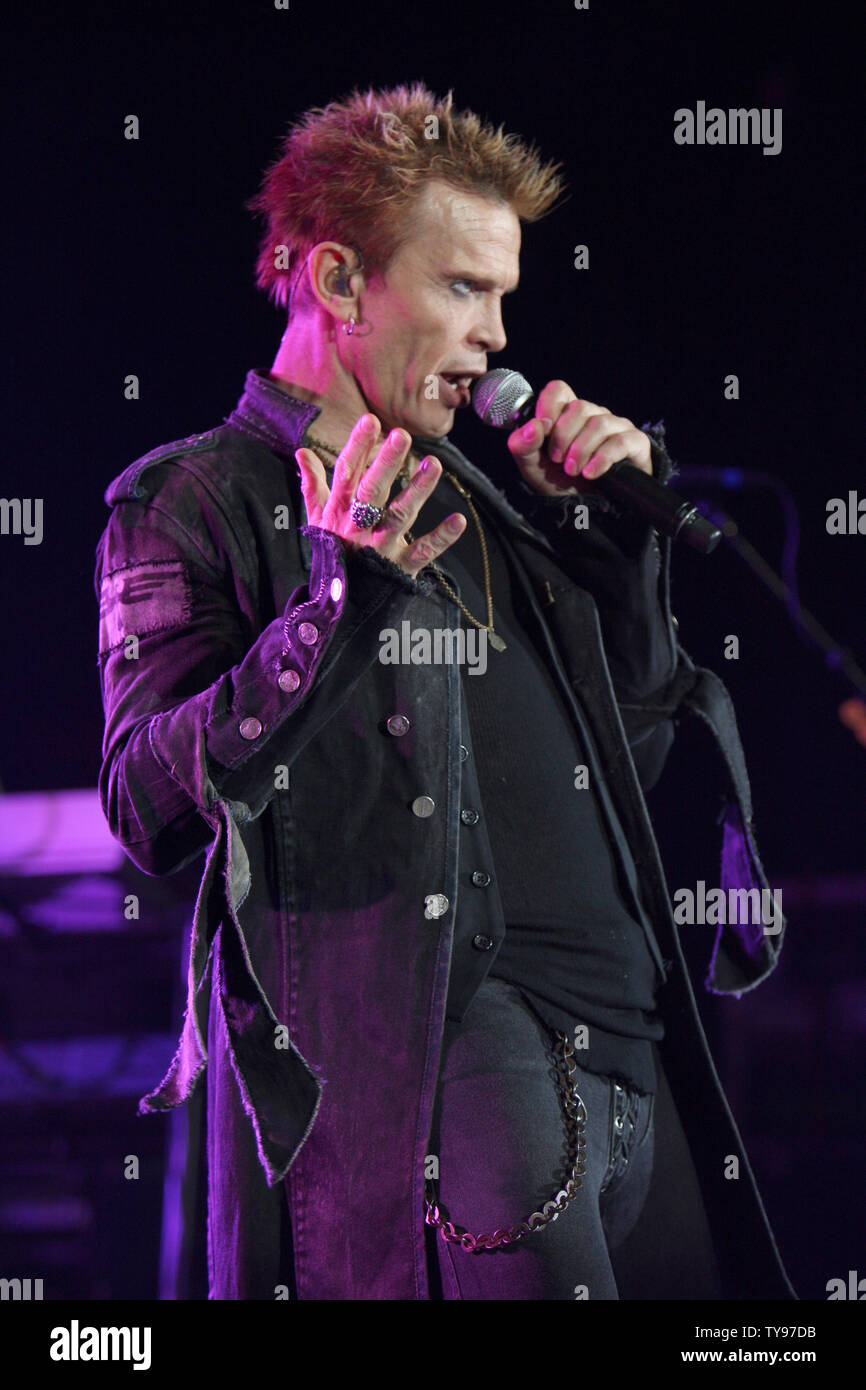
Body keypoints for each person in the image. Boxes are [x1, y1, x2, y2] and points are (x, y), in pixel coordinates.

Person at [94, 83, 795, 1300]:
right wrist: (335, 609)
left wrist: (617, 562)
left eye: (503, 296)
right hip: (469, 1056)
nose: (493, 337)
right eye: (462, 288)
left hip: (637, 1051)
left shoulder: (489, 507)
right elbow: (145, 796)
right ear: (337, 279)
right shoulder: (194, 497)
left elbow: (625, 778)